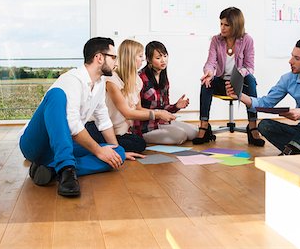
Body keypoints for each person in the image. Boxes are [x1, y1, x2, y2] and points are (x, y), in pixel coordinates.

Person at [19, 37, 143, 198]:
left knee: (117, 152)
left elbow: (104, 121)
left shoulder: (99, 84)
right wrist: (98, 151)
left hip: (61, 147)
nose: (116, 62)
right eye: (113, 57)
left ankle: (51, 169)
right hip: (36, 144)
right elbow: (73, 125)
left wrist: (117, 152)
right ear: (99, 58)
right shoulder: (71, 80)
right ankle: (66, 170)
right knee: (56, 96)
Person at [225, 38, 300, 155]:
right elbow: (266, 103)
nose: (290, 61)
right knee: (265, 126)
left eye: (297, 58)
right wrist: (240, 96)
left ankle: (295, 149)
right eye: (292, 56)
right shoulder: (288, 79)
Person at [193, 7, 265, 146]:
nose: (222, 28)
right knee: (206, 82)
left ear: (236, 25)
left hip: (239, 83)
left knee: (250, 80)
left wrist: (236, 78)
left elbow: (249, 67)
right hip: (221, 82)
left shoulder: (247, 40)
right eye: (221, 24)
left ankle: (252, 126)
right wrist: (208, 73)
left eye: (226, 25)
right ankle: (204, 126)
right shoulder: (216, 40)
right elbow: (210, 62)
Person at [96, 39, 176, 150]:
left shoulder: (137, 80)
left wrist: (161, 112)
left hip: (123, 130)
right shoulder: (111, 80)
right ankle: (104, 146)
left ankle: (111, 147)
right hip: (106, 129)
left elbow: (138, 108)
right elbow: (127, 113)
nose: (143, 59)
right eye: (140, 56)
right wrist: (157, 114)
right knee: (138, 145)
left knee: (139, 144)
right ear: (130, 58)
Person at [133, 41, 198, 144]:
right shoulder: (140, 78)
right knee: (181, 136)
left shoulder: (163, 77)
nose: (163, 60)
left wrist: (176, 106)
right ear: (149, 59)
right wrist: (158, 114)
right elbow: (137, 110)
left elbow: (165, 107)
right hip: (146, 127)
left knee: (195, 132)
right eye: (158, 58)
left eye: (165, 56)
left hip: (162, 123)